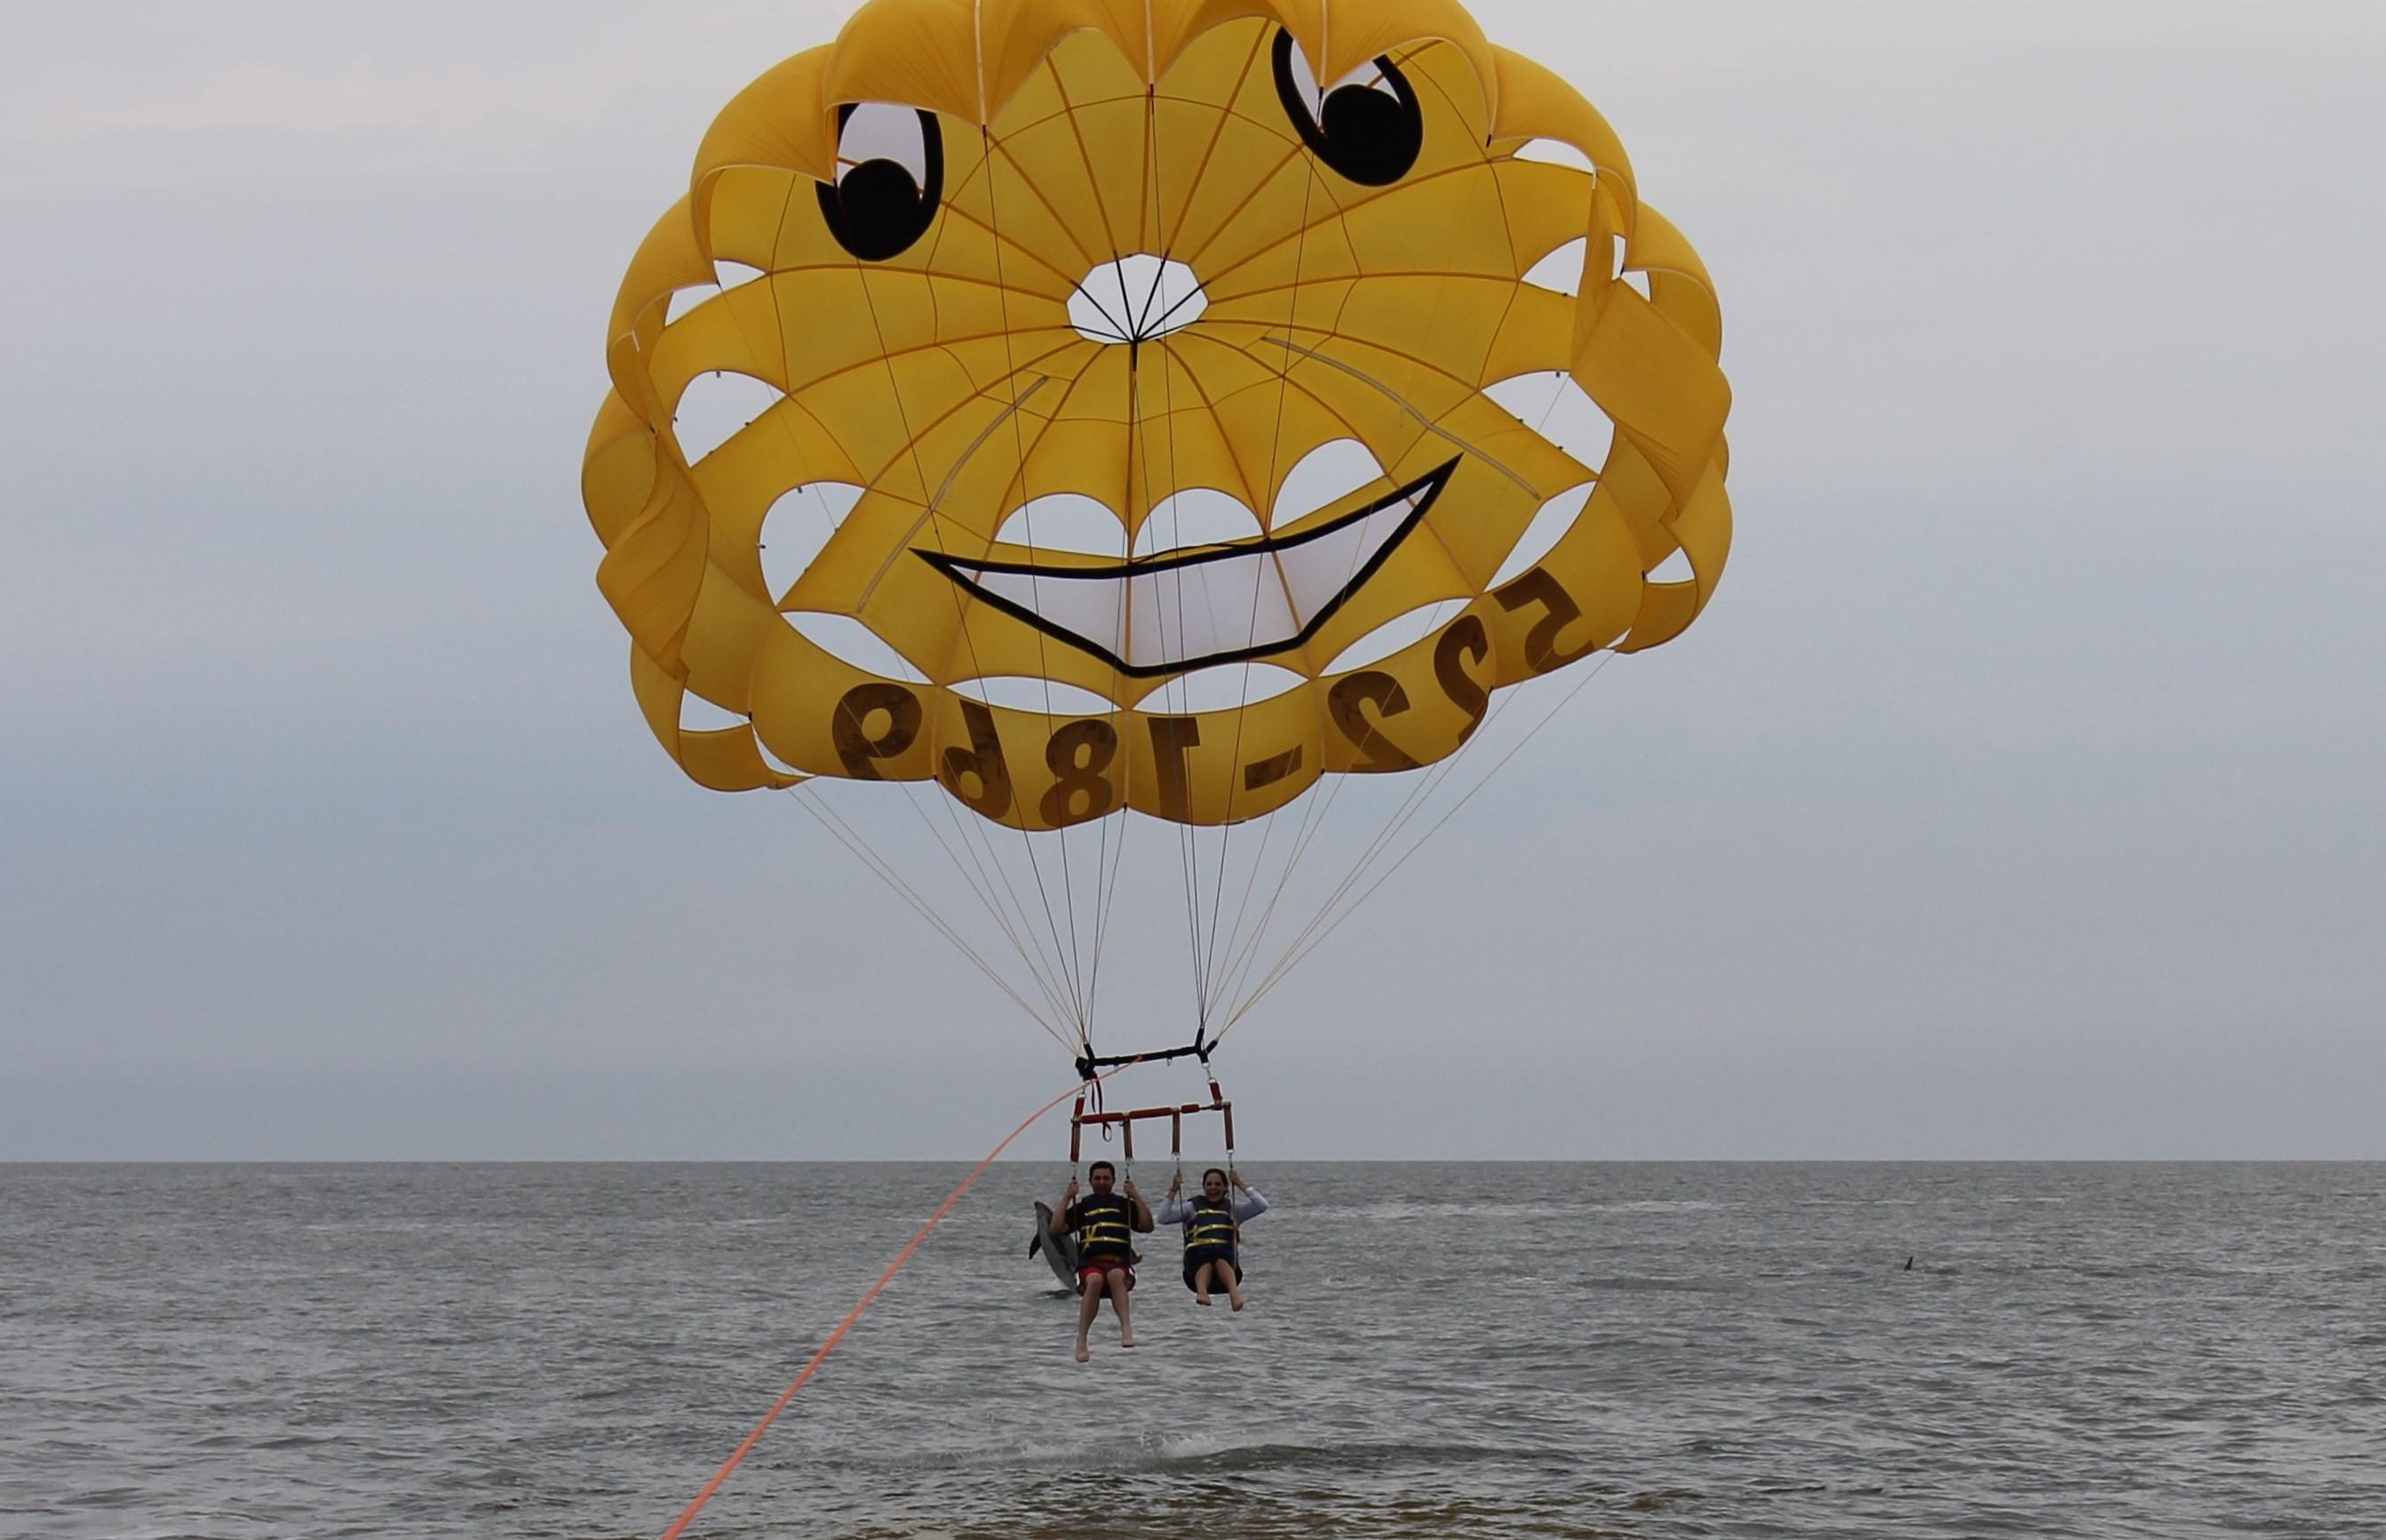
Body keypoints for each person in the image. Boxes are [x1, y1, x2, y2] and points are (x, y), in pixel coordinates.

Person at [1052, 1160, 1153, 1362]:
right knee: (1095, 1280)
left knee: (1116, 1276)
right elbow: (1056, 1229)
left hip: (1118, 1264)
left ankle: (1126, 1329)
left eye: (1106, 1178)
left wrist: (1135, 1195)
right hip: (1090, 1265)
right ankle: (1082, 1341)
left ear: (1114, 1180)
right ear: (1090, 1181)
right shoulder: (1083, 1207)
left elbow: (1147, 1225)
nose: (1102, 1182)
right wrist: (1067, 1197)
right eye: (1097, 1179)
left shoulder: (1123, 1205)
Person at [1158, 1166, 1268, 1310]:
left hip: (1227, 1261)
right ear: (1203, 1187)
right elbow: (1163, 1217)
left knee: (1220, 1257)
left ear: (1225, 1187)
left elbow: (1262, 1205)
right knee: (1206, 1260)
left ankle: (1234, 1294)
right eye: (1209, 1184)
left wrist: (1240, 1183)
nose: (1213, 1188)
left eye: (1218, 1184)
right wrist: (1173, 1190)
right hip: (1195, 1266)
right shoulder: (1191, 1208)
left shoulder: (1234, 1210)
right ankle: (1202, 1292)